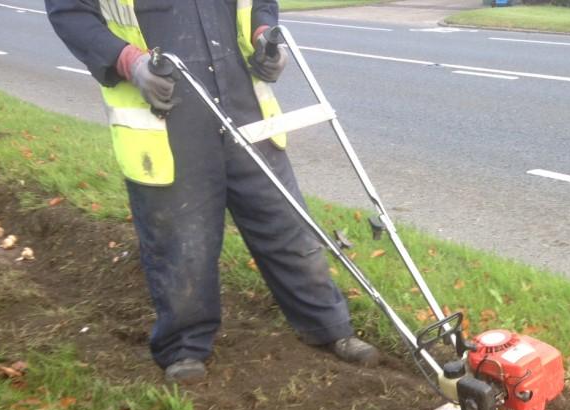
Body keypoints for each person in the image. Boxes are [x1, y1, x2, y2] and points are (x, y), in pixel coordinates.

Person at [45, 0, 380, 383]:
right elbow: (70, 13)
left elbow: (259, 4)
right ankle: (184, 348)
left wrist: (263, 37)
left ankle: (329, 327)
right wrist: (129, 62)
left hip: (245, 104)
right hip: (165, 112)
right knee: (182, 244)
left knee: (286, 225)